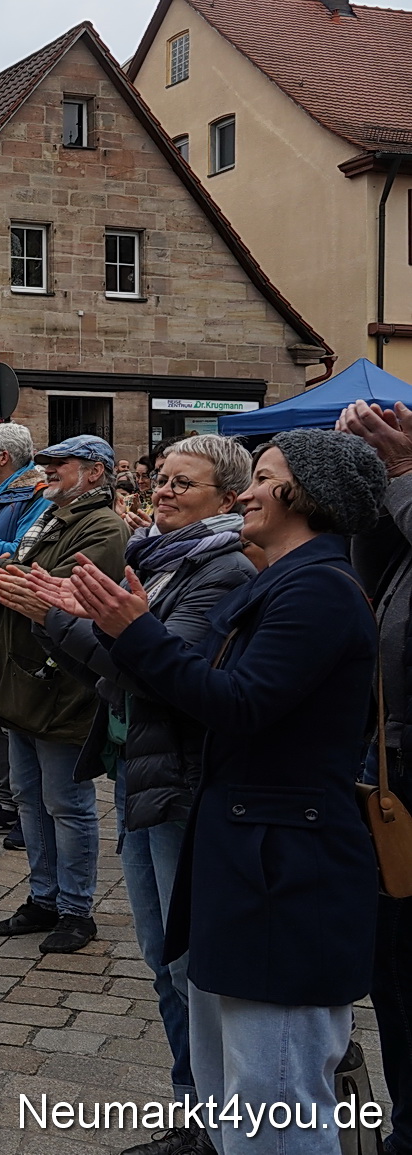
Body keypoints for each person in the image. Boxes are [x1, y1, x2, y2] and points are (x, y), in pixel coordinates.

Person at [60, 429, 384, 1155]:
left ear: (304, 493)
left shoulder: (319, 591)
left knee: (275, 1108)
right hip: (248, 862)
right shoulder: (290, 583)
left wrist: (137, 630)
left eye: (263, 477)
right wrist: (124, 630)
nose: (245, 492)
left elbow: (235, 702)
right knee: (235, 1099)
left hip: (283, 874)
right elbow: (204, 682)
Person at [8, 434, 253, 1147]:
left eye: (185, 483)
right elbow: (119, 669)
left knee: (185, 964)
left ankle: (214, 1119)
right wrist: (71, 623)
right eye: (163, 479)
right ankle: (191, 1106)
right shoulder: (159, 557)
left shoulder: (221, 569)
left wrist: (60, 619)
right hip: (137, 770)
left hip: (176, 781)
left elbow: (157, 674)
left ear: (228, 498)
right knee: (159, 958)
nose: (166, 490)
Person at [0, 435, 127, 954]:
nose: (47, 471)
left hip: (62, 681)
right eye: (46, 463)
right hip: (23, 675)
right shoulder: (51, 517)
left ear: (94, 472)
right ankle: (43, 895)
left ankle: (76, 909)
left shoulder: (102, 525)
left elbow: (61, 593)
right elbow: (24, 587)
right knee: (29, 797)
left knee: (66, 802)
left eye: (60, 464)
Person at [340, 399, 412, 1155]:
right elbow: (375, 571)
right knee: (392, 980)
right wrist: (371, 490)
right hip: (391, 769)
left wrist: (399, 471)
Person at [0, 423, 52, 848]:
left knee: (17, 718)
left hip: (18, 614)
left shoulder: (35, 496)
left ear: (5, 458)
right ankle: (5, 803)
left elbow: (24, 553)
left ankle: (26, 810)